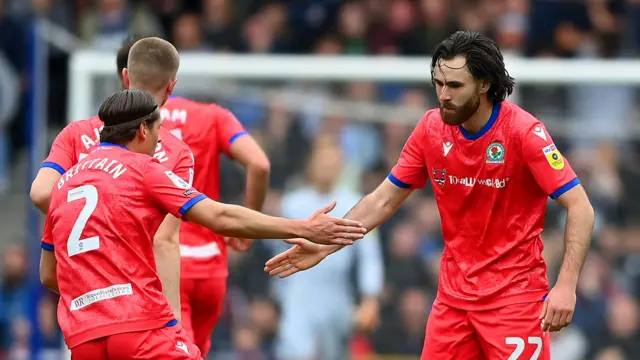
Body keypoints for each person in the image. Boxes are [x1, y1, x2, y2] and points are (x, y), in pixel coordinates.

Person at [264, 30, 595, 360]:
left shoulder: (523, 132)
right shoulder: (430, 129)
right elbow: (382, 200)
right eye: (438, 83)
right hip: (454, 303)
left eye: (454, 86)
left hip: (515, 301)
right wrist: (324, 246)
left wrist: (565, 285)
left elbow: (580, 206)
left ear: (484, 84)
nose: (443, 95)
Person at [39, 89, 366, 360]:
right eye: (157, 132)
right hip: (140, 326)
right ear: (142, 130)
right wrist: (303, 228)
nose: (159, 142)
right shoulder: (143, 168)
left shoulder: (65, 185)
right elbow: (221, 216)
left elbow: (49, 273)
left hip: (84, 338)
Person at [30, 37, 194, 320]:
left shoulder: (75, 133)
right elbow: (164, 241)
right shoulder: (176, 152)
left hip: (87, 302)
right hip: (139, 305)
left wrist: (93, 225)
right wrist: (173, 320)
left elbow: (41, 193)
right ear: (171, 86)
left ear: (125, 77)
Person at [160, 49, 270, 357]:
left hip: (166, 262)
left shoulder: (140, 122)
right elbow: (259, 164)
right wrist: (248, 225)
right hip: (210, 266)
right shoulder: (213, 116)